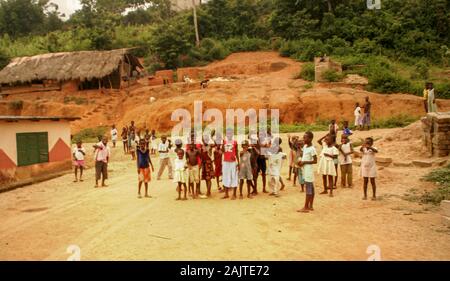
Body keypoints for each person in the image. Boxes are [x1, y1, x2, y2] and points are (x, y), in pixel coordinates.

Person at [297, 132, 318, 213]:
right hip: (305, 169)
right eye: (303, 137)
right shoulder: (305, 146)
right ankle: (310, 206)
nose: (303, 139)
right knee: (311, 188)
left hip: (308, 170)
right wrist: (301, 160)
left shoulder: (312, 149)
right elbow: (304, 155)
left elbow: (315, 161)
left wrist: (305, 162)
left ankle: (306, 207)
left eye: (305, 137)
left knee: (309, 189)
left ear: (310, 139)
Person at [222, 128, 239, 200]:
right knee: (225, 177)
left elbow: (237, 152)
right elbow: (223, 151)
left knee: (234, 177)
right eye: (227, 133)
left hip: (233, 162)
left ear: (232, 134)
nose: (229, 134)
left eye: (230, 133)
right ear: (226, 134)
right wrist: (222, 144)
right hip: (226, 162)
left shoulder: (235, 142)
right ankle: (226, 194)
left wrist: (239, 162)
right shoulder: (224, 142)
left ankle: (234, 194)